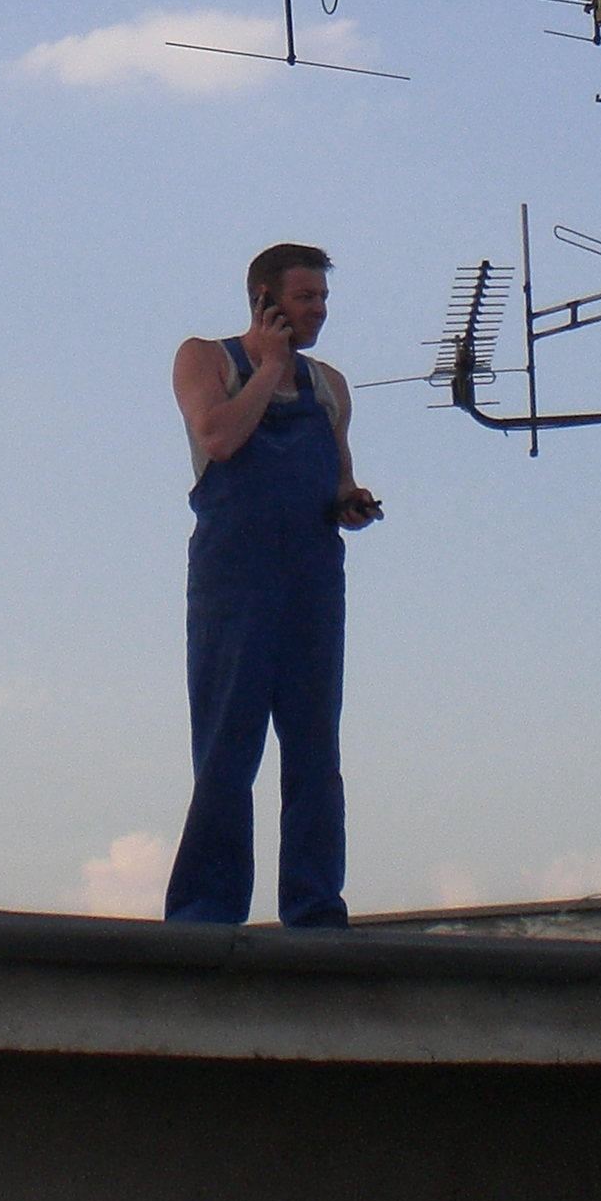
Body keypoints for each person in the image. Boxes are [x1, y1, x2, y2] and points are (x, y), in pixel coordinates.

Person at [164, 242, 380, 928]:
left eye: (323, 298)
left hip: (312, 582)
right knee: (227, 750)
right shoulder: (206, 359)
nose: (319, 311)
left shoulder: (329, 386)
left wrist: (353, 504)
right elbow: (219, 437)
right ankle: (206, 915)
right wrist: (268, 369)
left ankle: (316, 911)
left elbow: (339, 479)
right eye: (304, 298)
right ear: (265, 301)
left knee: (316, 754)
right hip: (235, 580)